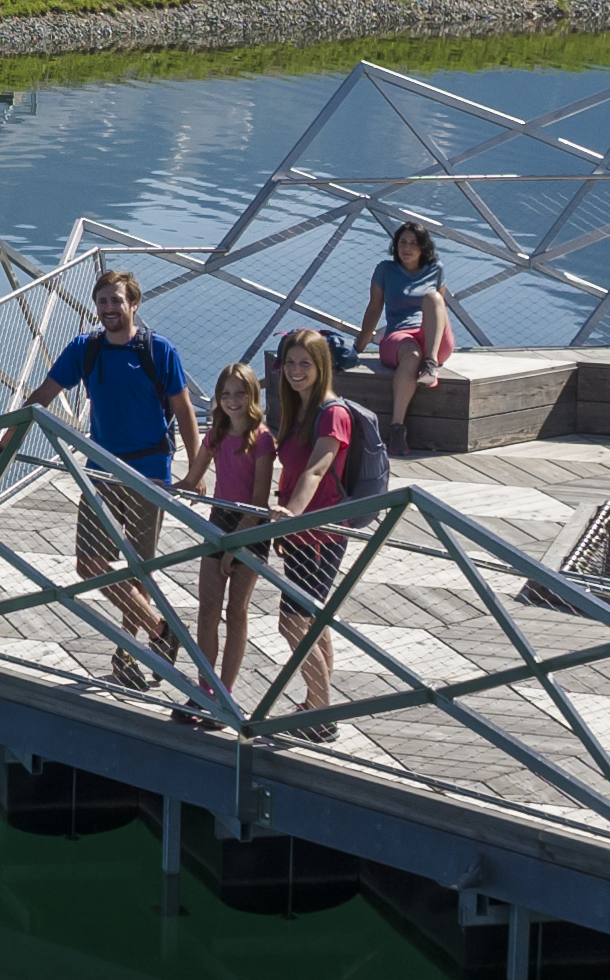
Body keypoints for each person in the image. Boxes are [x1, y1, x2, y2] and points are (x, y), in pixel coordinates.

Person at [31, 266, 203, 690]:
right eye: (103, 301)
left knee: (140, 570)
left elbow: (184, 413)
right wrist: (5, 437)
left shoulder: (158, 351)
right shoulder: (84, 350)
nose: (109, 308)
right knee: (88, 564)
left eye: (117, 301)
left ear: (134, 304)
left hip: (149, 474)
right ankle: (161, 630)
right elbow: (41, 398)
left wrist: (196, 472)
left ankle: (127, 656)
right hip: (101, 470)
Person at [261, 330, 370, 736]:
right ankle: (315, 704)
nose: (295, 371)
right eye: (289, 363)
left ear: (322, 366)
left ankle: (321, 716)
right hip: (301, 534)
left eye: (305, 363)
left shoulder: (331, 413)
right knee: (312, 621)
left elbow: (317, 468)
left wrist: (291, 514)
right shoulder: (300, 408)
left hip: (319, 534)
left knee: (291, 623)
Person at [191, 364, 278, 712]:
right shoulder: (216, 432)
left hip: (251, 528)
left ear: (253, 395)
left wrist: (233, 548)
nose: (232, 401)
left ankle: (225, 692)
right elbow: (192, 478)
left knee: (236, 610)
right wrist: (159, 485)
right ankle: (204, 688)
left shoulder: (262, 438)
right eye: (225, 394)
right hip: (219, 520)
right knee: (207, 609)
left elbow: (258, 504)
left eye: (239, 393)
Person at [358, 219, 453, 450]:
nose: (407, 248)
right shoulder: (385, 269)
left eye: (413, 243)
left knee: (433, 298)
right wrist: (358, 346)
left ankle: (430, 364)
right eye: (402, 242)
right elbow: (374, 308)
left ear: (423, 248)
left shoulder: (436, 269)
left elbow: (439, 309)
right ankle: (397, 428)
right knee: (411, 355)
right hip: (399, 337)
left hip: (432, 339)